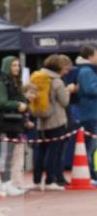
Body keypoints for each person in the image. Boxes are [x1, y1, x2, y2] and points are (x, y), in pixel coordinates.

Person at [31, 54, 76, 190]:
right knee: (54, 151)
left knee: (41, 151)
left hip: (41, 121)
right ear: (58, 68)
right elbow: (64, 101)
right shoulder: (57, 82)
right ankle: (50, 181)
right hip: (56, 121)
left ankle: (36, 181)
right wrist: (68, 90)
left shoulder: (37, 78)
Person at [0, 56, 28, 196]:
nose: (17, 68)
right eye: (13, 65)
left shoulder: (15, 83)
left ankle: (9, 182)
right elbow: (0, 102)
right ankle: (4, 183)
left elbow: (22, 99)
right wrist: (18, 105)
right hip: (4, 123)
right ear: (7, 66)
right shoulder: (1, 83)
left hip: (14, 123)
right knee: (5, 154)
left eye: (18, 66)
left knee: (11, 154)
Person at [75, 45, 97, 185]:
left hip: (91, 113)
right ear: (90, 56)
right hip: (91, 115)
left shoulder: (87, 71)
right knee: (92, 147)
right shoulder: (86, 71)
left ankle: (93, 175)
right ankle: (92, 176)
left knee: (93, 147)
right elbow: (91, 89)